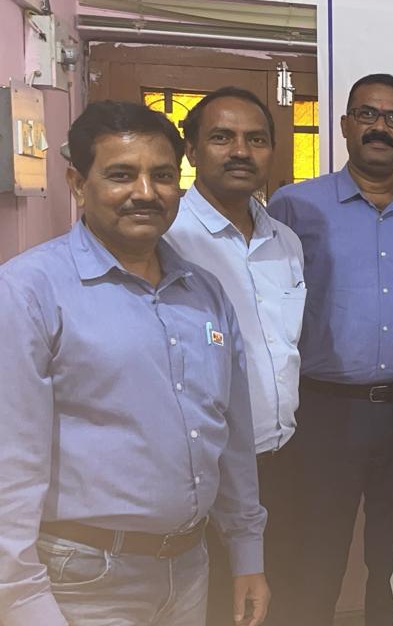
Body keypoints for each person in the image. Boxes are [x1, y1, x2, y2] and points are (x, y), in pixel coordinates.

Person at [0, 101, 267, 625]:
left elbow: (232, 436)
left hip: (189, 568)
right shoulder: (28, 292)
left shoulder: (205, 293)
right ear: (78, 183)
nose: (146, 192)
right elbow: (10, 462)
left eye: (163, 176)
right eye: (122, 175)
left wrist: (247, 553)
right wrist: (19, 597)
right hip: (82, 580)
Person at [267, 74, 393, 625]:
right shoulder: (294, 206)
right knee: (311, 557)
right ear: (345, 125)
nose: (381, 127)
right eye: (368, 114)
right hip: (321, 414)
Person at [163, 87, 305, 624]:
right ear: (192, 150)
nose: (241, 151)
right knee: (215, 609)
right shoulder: (166, 238)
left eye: (256, 140)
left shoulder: (285, 241)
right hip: (200, 471)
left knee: (281, 599)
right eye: (222, 137)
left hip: (282, 460)